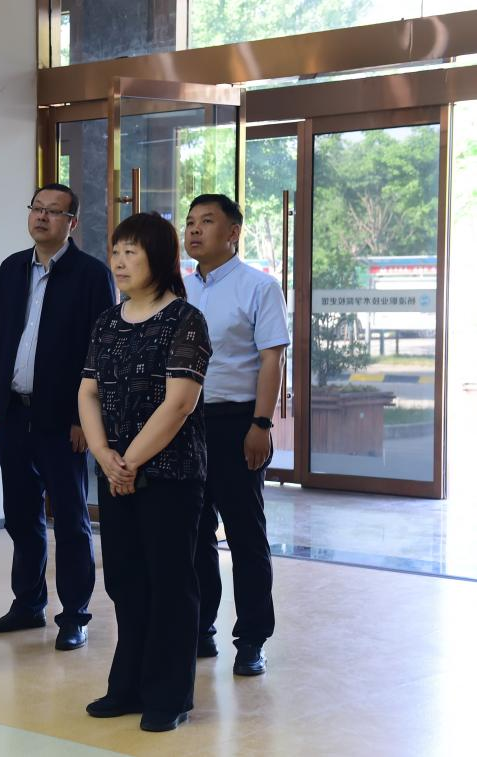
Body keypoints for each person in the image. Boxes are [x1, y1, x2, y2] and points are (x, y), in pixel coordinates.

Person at [78, 212, 212, 732]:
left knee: (170, 584)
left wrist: (128, 460)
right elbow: (88, 391)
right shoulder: (107, 321)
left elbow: (179, 404)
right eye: (116, 251)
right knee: (126, 582)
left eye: (131, 252)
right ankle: (127, 686)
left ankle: (169, 695)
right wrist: (103, 454)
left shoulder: (185, 319)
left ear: (159, 257)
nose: (118, 261)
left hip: (170, 476)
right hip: (115, 473)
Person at [0, 183, 115, 650]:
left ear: (71, 223)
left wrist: (85, 418)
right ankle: (28, 603)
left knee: (72, 520)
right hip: (14, 413)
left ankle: (74, 614)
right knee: (20, 516)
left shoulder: (91, 275)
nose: (41, 217)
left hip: (64, 421)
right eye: (36, 208)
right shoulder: (11, 268)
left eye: (53, 212)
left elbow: (100, 350)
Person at [183, 194, 287, 676]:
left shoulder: (258, 287)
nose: (195, 229)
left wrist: (261, 425)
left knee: (245, 535)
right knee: (193, 532)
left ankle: (251, 639)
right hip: (184, 422)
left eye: (207, 221)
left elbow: (272, 358)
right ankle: (201, 626)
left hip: (237, 421)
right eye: (190, 221)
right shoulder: (179, 289)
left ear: (233, 233)